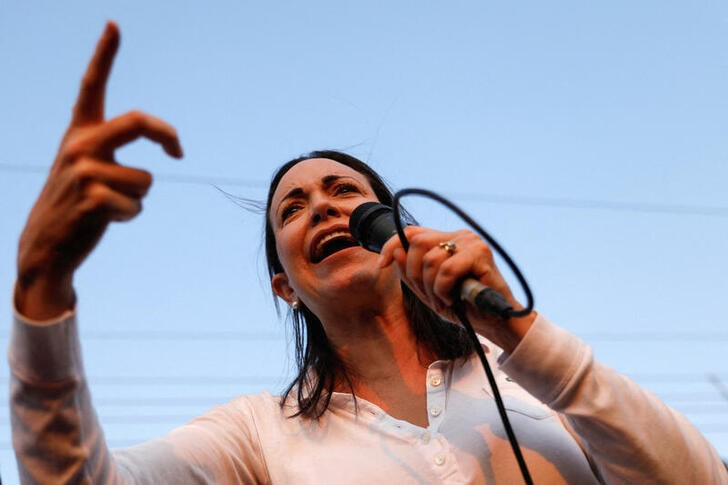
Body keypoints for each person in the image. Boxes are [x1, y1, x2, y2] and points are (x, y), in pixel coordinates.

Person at [9, 22, 727, 484]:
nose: (320, 204)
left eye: (343, 190)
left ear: (396, 229)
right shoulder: (259, 433)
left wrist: (515, 329)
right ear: (283, 285)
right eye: (292, 208)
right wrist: (42, 284)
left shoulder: (527, 375)